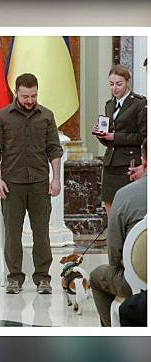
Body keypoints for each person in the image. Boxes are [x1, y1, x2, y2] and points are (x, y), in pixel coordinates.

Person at [0, 73, 64, 295]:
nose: (30, 100)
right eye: (25, 96)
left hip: (40, 183)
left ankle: (42, 278)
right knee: (12, 233)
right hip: (12, 184)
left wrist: (56, 178)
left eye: (33, 95)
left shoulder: (47, 116)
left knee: (41, 232)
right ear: (16, 93)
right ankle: (14, 277)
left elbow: (54, 150)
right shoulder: (2, 117)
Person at [90, 138, 147, 326]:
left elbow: (114, 256)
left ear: (143, 161)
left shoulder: (124, 195)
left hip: (137, 281)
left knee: (97, 277)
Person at [93, 64, 147, 215]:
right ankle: (113, 237)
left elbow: (143, 136)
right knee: (109, 205)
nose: (114, 88)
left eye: (118, 84)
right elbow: (109, 140)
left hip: (128, 162)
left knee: (127, 207)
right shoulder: (109, 105)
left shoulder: (139, 103)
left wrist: (114, 137)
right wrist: (101, 136)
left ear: (127, 81)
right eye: (111, 84)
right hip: (111, 162)